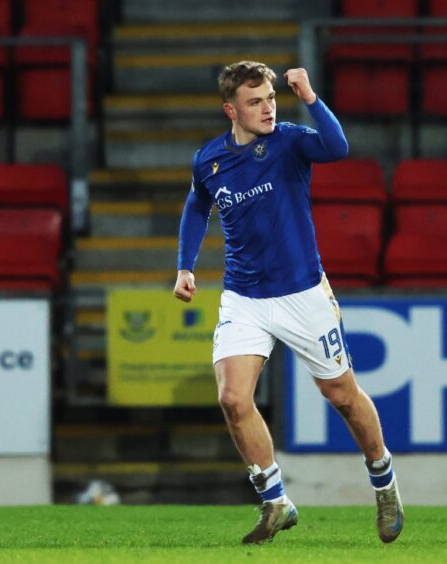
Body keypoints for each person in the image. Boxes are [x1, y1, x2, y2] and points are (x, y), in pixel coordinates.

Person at [173, 61, 403, 544]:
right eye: (255, 102)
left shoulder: (290, 140)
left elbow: (337, 148)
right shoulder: (209, 159)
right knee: (233, 398)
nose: (267, 108)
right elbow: (197, 205)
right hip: (244, 297)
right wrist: (186, 266)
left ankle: (383, 481)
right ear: (230, 110)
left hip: (303, 293)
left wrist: (312, 98)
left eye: (271, 99)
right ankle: (275, 500)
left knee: (341, 394)